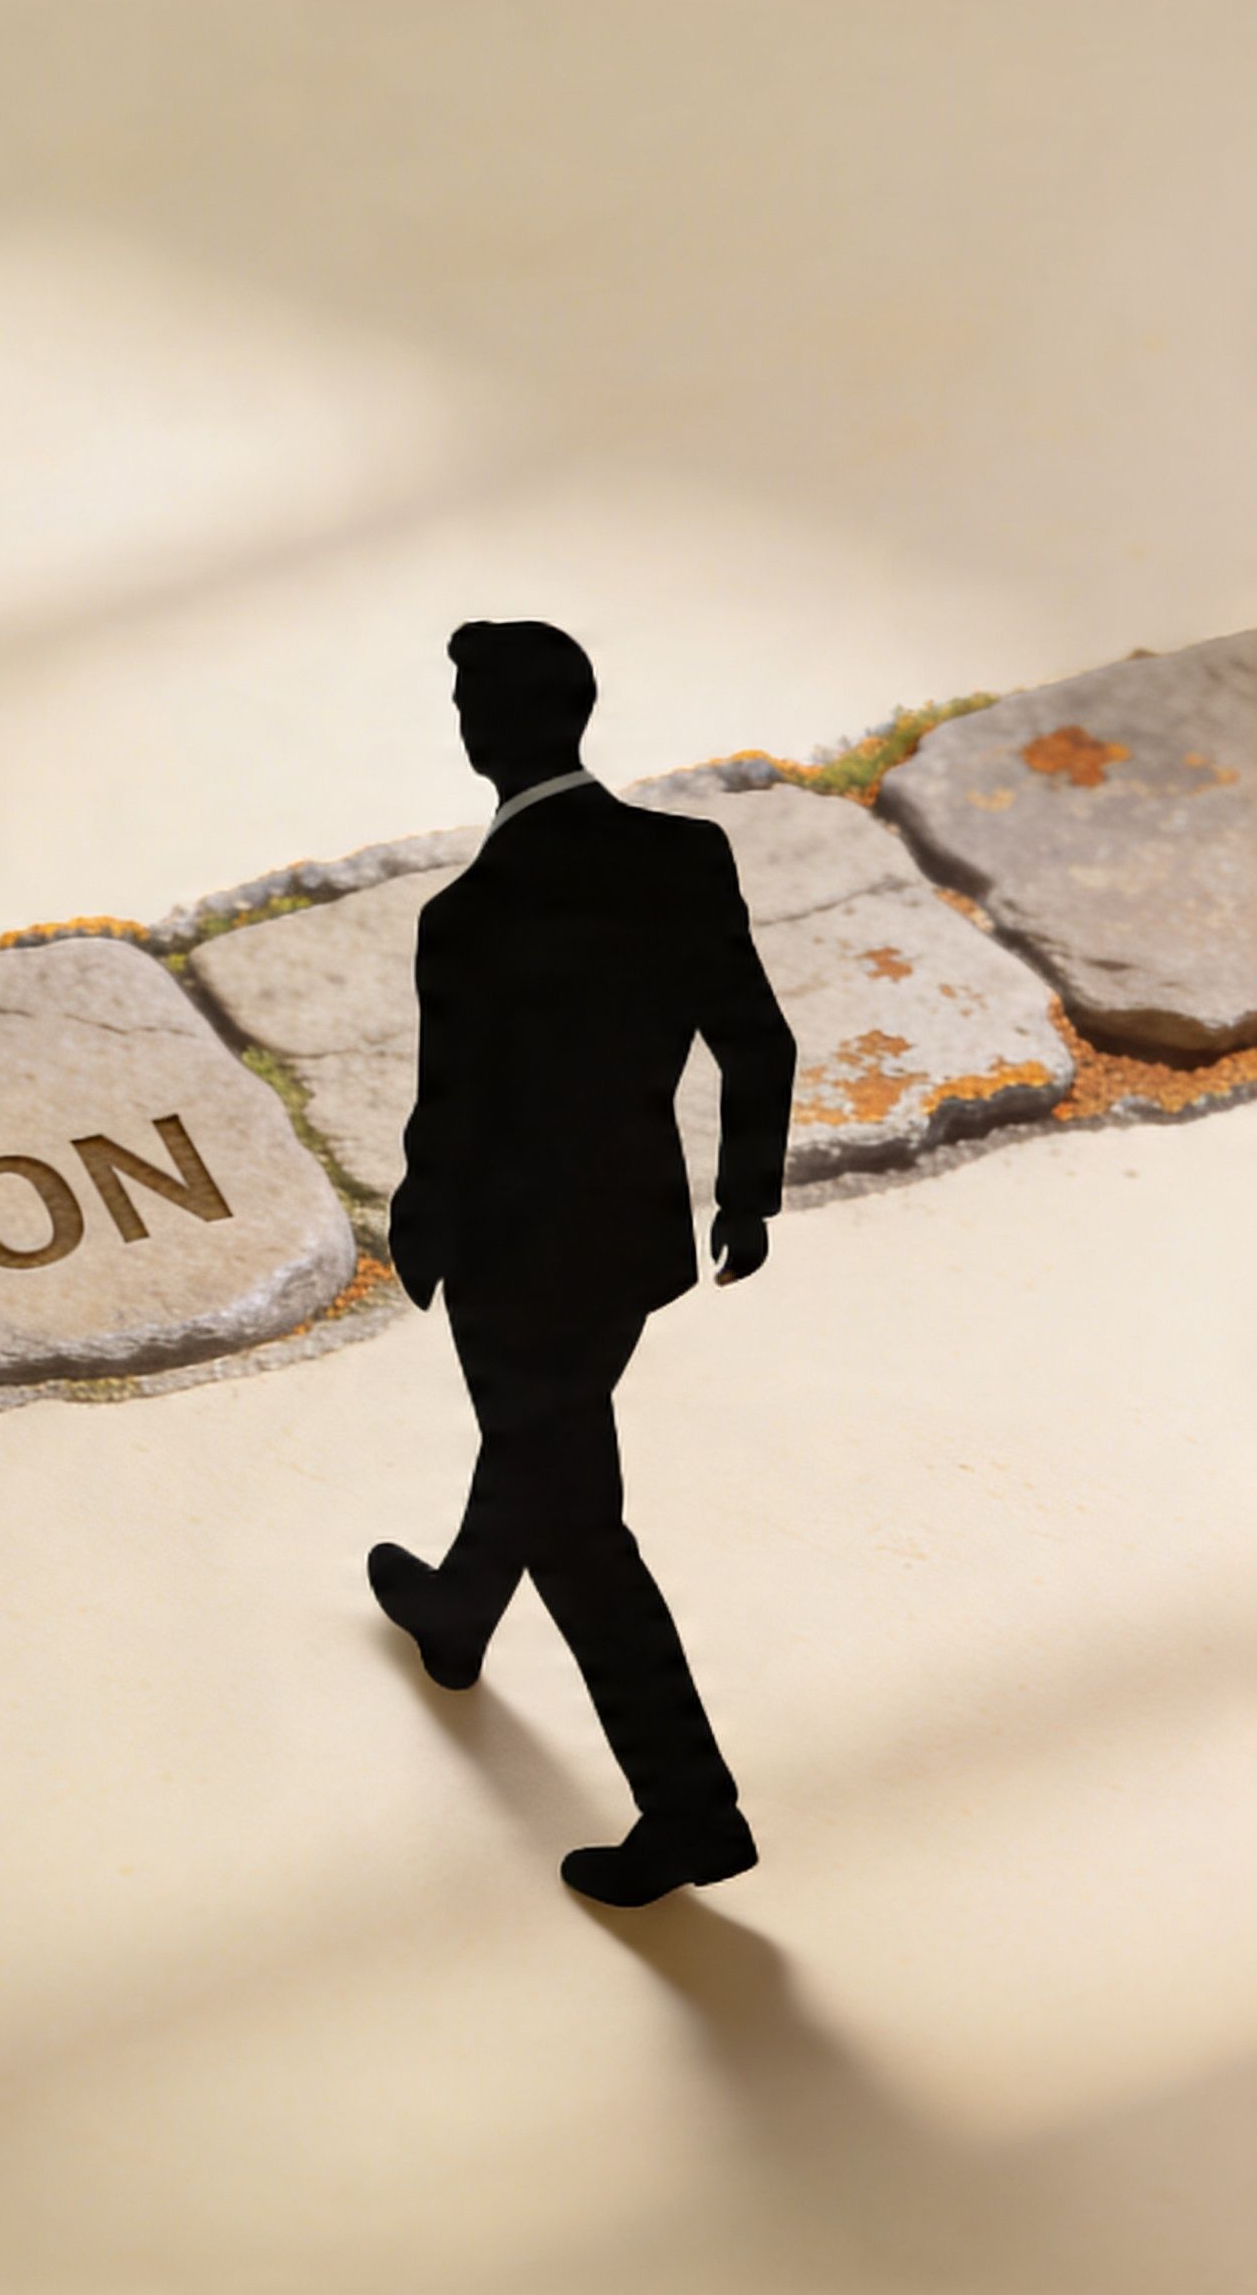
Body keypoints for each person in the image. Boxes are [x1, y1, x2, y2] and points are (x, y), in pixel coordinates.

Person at [369, 620, 796, 1908]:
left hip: (511, 1258)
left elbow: (456, 1106)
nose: (464, 720)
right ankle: (453, 1611)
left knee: (577, 1525)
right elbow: (756, 1039)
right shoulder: (684, 853)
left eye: (466, 701)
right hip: (630, 1243)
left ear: (483, 729)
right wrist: (745, 1193)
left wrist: (421, 1223)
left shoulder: (471, 914)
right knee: (543, 1445)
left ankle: (690, 1810)